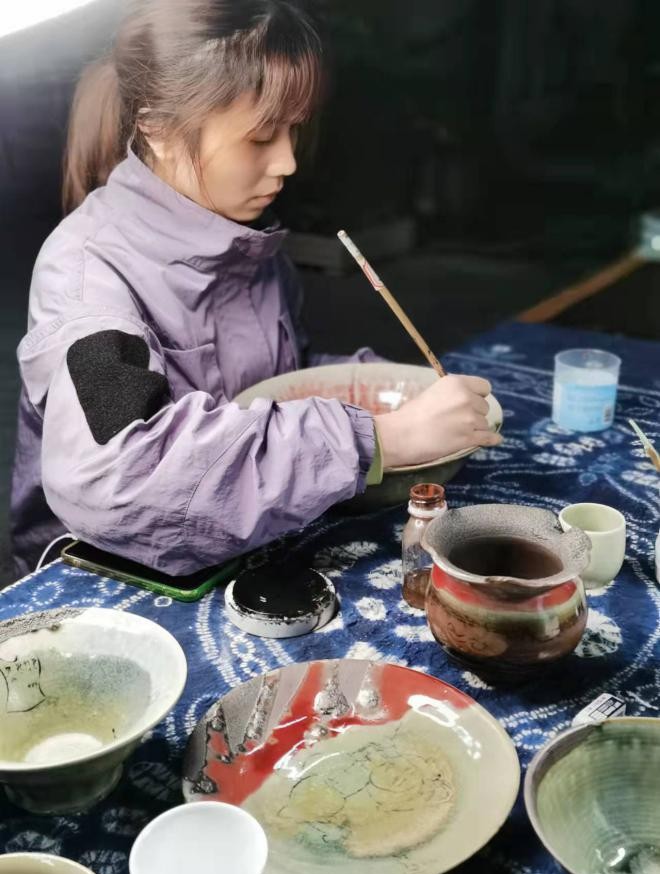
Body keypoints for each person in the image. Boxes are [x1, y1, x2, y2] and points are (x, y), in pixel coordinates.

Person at [10, 0, 500, 578]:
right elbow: (118, 477)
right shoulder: (88, 277)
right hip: (105, 578)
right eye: (261, 136)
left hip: (246, 544)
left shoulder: (244, 243)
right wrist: (378, 438)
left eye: (294, 129)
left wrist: (393, 394)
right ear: (158, 128)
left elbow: (273, 386)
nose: (288, 161)